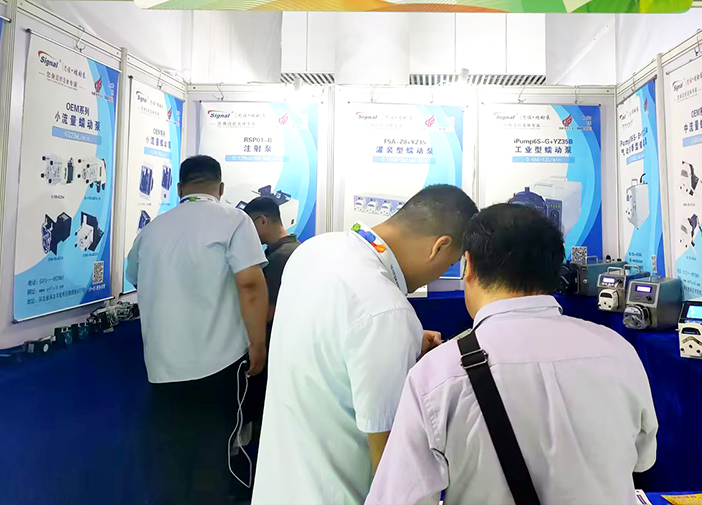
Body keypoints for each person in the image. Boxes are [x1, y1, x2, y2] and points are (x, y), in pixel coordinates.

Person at [367, 203, 659, 505]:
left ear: (469, 266)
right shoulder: (618, 352)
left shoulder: (437, 375)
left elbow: (398, 499)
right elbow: (643, 458)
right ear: (553, 270)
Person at [252, 184, 479, 505]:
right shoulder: (386, 312)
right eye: (449, 263)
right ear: (439, 247)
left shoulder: (315, 250)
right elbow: (393, 471)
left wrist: (401, 340)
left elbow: (330, 334)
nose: (439, 273)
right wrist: (394, 333)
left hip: (280, 487)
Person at [126, 155, 269, 505]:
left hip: (163, 366)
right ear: (220, 188)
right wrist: (258, 344)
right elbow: (250, 285)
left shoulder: (153, 229)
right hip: (219, 363)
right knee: (215, 454)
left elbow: (135, 277)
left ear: (179, 188)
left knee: (173, 456)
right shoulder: (234, 220)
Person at [242, 195, 301, 325]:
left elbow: (266, 312)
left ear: (263, 221)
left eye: (248, 227)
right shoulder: (297, 249)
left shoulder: (278, 258)